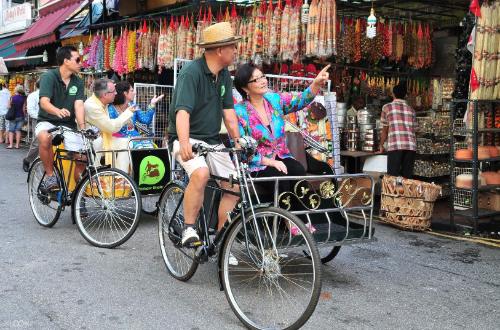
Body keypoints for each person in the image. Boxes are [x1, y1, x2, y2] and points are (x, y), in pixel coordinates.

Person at [167, 21, 241, 246]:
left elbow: (229, 113)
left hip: (211, 140)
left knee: (235, 186)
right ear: (220, 50)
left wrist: (238, 140)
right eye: (232, 47)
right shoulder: (192, 73)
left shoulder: (224, 74)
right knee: (200, 174)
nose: (235, 51)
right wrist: (184, 142)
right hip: (185, 137)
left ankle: (221, 241)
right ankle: (189, 228)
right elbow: (182, 113)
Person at [233, 63, 330, 234]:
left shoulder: (274, 100)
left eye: (263, 76)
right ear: (245, 88)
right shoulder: (240, 112)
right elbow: (242, 148)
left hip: (281, 155)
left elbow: (300, 101)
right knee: (280, 176)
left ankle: (303, 215)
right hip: (256, 162)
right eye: (256, 79)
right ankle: (288, 220)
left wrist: (316, 83)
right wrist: (269, 161)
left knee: (298, 169)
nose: (263, 81)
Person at [36, 46, 86, 191]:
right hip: (47, 121)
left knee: (82, 158)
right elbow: (44, 102)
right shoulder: (49, 77)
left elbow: (79, 106)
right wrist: (57, 111)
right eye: (77, 59)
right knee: (45, 138)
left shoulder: (78, 81)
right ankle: (50, 175)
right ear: (66, 61)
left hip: (68, 125)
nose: (80, 62)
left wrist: (83, 129)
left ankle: (78, 195)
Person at [84, 78, 139, 171]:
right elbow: (111, 127)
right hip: (90, 141)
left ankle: (120, 176)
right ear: (105, 95)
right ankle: (96, 175)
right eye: (114, 91)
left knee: (126, 142)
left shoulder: (103, 102)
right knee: (99, 143)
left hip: (103, 137)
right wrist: (127, 113)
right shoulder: (92, 106)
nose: (116, 93)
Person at [107, 81, 164, 169]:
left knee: (151, 147)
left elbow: (145, 120)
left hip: (136, 138)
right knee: (139, 148)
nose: (135, 92)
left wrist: (152, 104)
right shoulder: (111, 109)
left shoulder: (133, 106)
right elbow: (111, 129)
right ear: (125, 93)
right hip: (120, 141)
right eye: (132, 90)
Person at [379, 83, 417, 178]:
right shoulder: (411, 110)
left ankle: (394, 193)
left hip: (395, 145)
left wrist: (381, 145)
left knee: (392, 177)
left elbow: (385, 130)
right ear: (405, 95)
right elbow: (415, 129)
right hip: (410, 147)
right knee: (407, 178)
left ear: (393, 94)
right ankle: (406, 193)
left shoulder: (387, 107)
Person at [23, 80, 40, 171]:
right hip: (38, 120)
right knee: (37, 142)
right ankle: (27, 160)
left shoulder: (52, 94)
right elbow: (30, 110)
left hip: (51, 120)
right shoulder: (33, 95)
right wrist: (40, 117)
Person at [0, 79, 10, 144]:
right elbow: (10, 103)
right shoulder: (9, 93)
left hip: (0, 111)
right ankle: (6, 139)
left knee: (1, 126)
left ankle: (1, 139)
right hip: (7, 112)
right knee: (7, 126)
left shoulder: (0, 93)